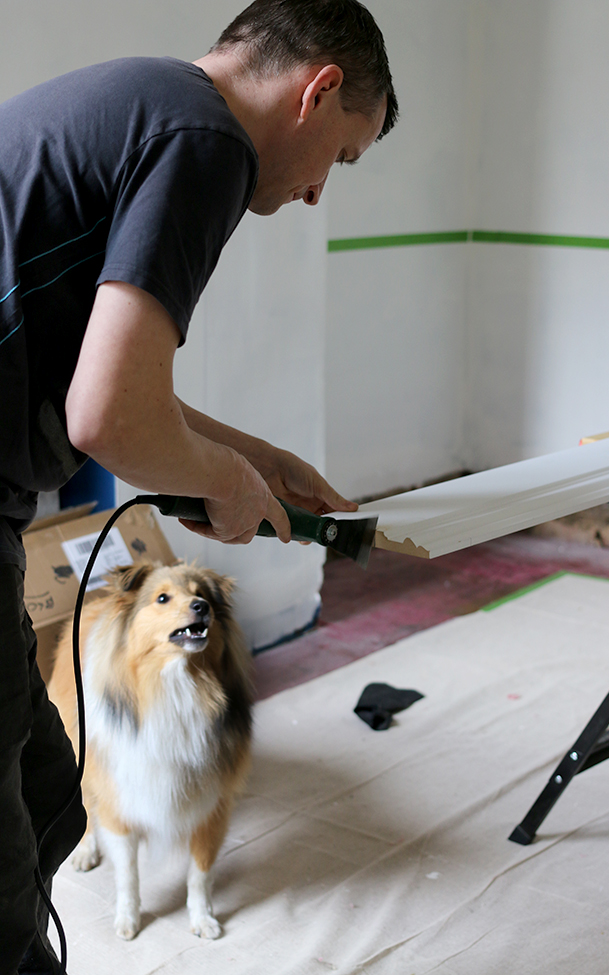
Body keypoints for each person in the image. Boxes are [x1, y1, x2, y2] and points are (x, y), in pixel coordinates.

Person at [0, 0, 397, 971]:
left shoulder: (139, 102)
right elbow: (109, 420)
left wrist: (253, 458)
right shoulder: (203, 136)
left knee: (49, 788)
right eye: (340, 161)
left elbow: (103, 382)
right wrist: (224, 486)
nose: (314, 196)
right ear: (320, 90)